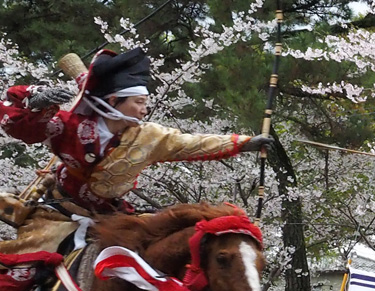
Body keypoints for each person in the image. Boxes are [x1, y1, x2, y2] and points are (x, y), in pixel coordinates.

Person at [0, 47, 272, 253]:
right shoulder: (68, 125)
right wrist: (36, 102)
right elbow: (21, 126)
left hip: (113, 218)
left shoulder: (149, 137)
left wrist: (244, 143)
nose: (144, 109)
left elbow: (193, 143)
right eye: (139, 102)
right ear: (115, 100)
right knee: (27, 270)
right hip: (57, 215)